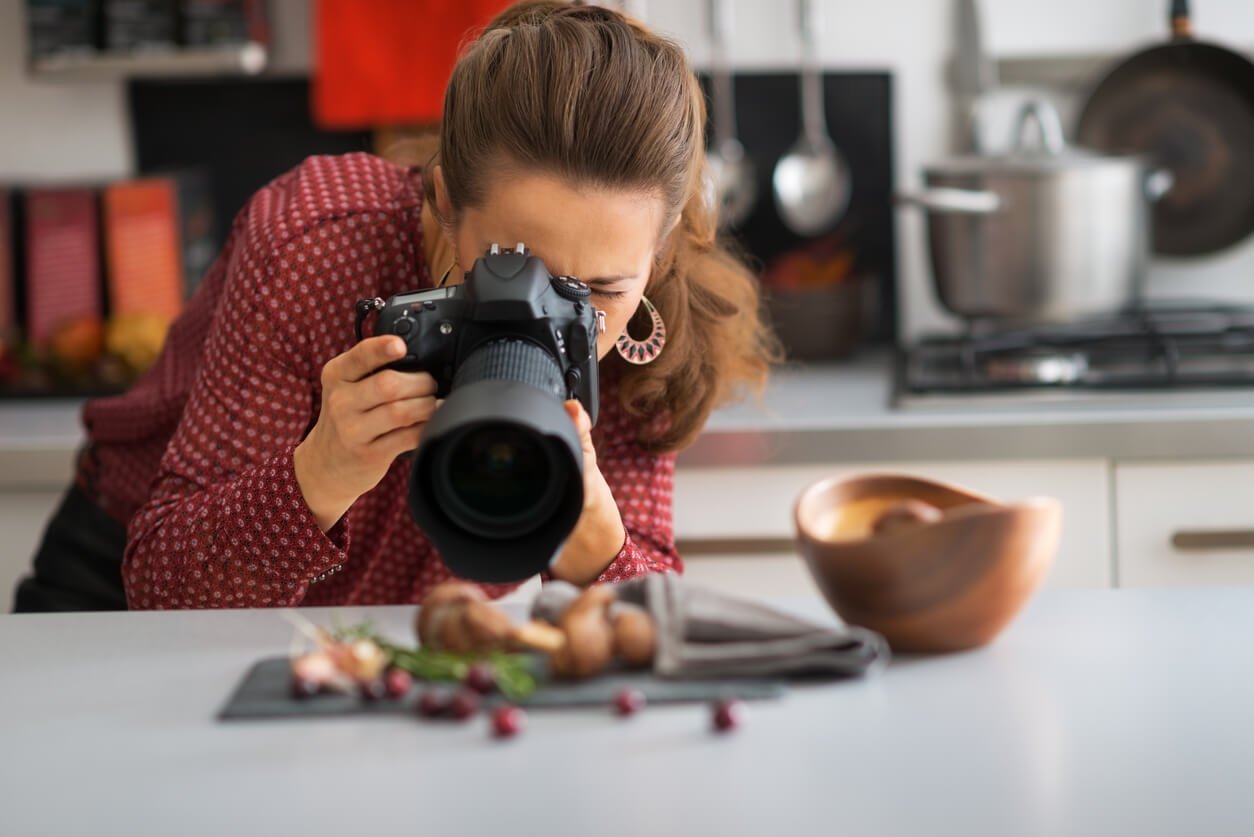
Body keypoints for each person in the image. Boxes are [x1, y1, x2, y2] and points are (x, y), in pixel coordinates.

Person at [12, 0, 778, 612]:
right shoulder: (315, 246)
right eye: (512, 268)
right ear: (443, 199)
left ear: (663, 246)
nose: (551, 318)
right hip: (115, 591)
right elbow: (162, 591)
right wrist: (318, 471)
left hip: (396, 645)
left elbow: (651, 639)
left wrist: (604, 557)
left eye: (602, 289)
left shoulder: (648, 339)